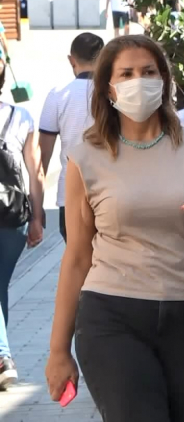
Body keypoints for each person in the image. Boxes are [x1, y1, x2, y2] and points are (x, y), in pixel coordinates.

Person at [43, 35, 184, 419]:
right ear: (108, 86)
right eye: (127, 73)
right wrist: (57, 351)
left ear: (165, 80)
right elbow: (78, 257)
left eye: (149, 71)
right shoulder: (84, 158)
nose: (139, 81)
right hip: (112, 318)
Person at [0, 56, 45, 391]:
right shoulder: (21, 116)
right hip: (13, 214)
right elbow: (35, 173)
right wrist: (38, 218)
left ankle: (4, 357)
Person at [39, 33, 103, 242]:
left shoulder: (58, 95)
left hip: (70, 195)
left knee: (78, 261)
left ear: (71, 60)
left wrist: (36, 204)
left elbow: (43, 155)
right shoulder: (114, 94)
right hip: (111, 193)